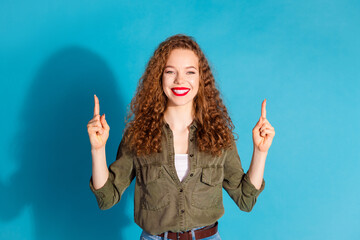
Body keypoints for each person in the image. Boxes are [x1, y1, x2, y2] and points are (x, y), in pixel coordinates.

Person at [87, 34, 275, 240]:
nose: (180, 80)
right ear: (159, 77)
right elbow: (107, 199)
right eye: (170, 71)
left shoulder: (219, 135)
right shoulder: (138, 135)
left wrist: (260, 152)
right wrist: (98, 150)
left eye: (190, 72)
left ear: (201, 79)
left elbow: (245, 200)